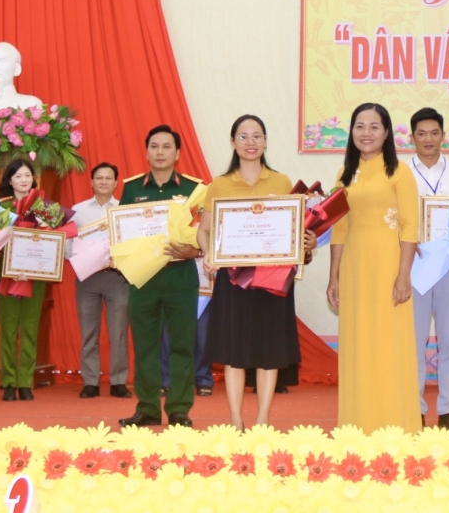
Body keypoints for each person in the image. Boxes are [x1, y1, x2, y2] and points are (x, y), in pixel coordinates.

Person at [200, 115, 315, 430]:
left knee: (269, 349)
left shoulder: (281, 182)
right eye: (243, 136)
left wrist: (306, 241)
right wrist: (209, 252)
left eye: (256, 136)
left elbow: (294, 230)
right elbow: (204, 230)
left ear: (265, 141)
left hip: (272, 278)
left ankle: (263, 419)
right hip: (232, 279)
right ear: (233, 142)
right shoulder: (219, 185)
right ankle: (236, 420)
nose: (250, 142)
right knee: (233, 351)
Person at [328, 103, 422, 433]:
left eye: (374, 126)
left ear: (386, 133)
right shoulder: (344, 175)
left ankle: (394, 425)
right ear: (351, 131)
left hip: (388, 265)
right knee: (358, 344)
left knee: (387, 343)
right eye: (359, 126)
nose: (366, 133)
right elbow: (339, 228)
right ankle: (357, 424)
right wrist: (334, 277)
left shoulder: (399, 171)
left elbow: (410, 225)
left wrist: (404, 274)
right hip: (354, 267)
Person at [116, 125, 203, 428]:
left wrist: (195, 250)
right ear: (147, 152)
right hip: (144, 279)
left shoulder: (194, 189)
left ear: (177, 153)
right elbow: (122, 232)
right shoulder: (132, 189)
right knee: (145, 345)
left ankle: (179, 408)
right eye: (154, 146)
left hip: (180, 278)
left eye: (167, 146)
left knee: (182, 345)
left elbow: (204, 230)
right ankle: (148, 407)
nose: (160, 152)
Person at [407, 108, 449, 430]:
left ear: (443, 136)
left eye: (434, 133)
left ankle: (448, 409)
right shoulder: (401, 172)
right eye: (422, 134)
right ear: (412, 137)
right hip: (415, 266)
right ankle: (415, 408)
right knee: (414, 343)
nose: (428, 139)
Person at [71, 162, 131, 400]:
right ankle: (90, 382)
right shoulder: (78, 211)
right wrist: (79, 257)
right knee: (89, 332)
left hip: (117, 278)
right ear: (91, 182)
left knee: (119, 332)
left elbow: (133, 242)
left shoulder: (124, 210)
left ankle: (118, 382)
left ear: (116, 183)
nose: (104, 182)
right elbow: (68, 243)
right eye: (99, 178)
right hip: (88, 279)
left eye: (108, 178)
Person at [0, 159, 47, 402]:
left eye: (27, 175)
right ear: (9, 180)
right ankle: (8, 382)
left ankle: (25, 382)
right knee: (7, 330)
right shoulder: (0, 207)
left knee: (30, 328)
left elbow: (54, 237)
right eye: (18, 176)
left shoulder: (44, 206)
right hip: (7, 274)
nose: (24, 180)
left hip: (35, 273)